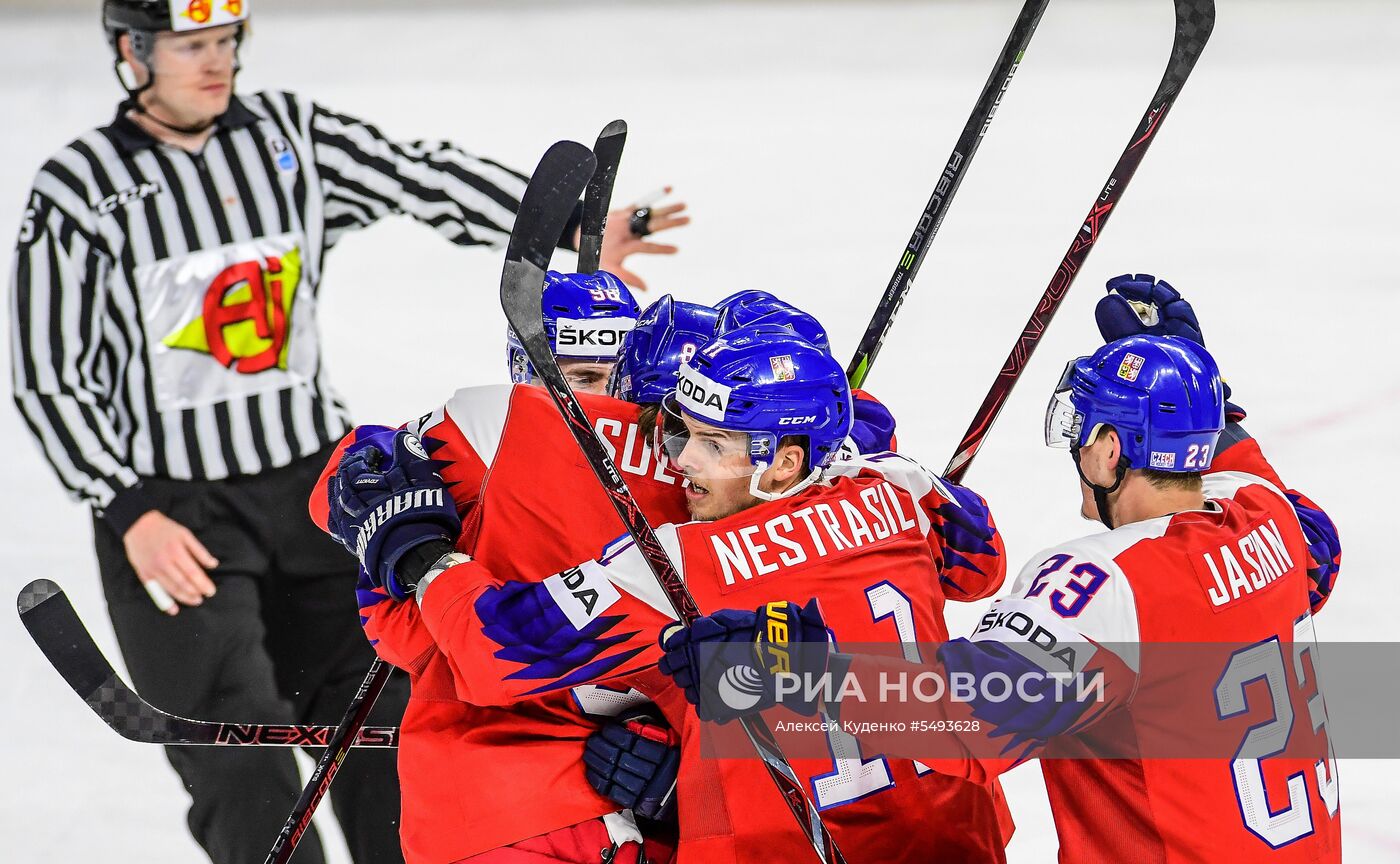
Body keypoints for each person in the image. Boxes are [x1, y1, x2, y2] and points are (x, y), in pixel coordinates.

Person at [7, 3, 686, 862]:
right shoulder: (79, 188)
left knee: (390, 734)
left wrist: (567, 236)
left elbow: (417, 176)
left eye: (225, 42)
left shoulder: (289, 136)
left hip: (311, 489)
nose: (216, 63)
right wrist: (129, 508)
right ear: (132, 53)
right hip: (174, 513)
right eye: (191, 47)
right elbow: (47, 373)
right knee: (244, 769)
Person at [665, 276, 1344, 862]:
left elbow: (958, 718)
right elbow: (1316, 552)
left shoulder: (1104, 585)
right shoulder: (1268, 518)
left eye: (1081, 430)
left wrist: (793, 668)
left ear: (1109, 450)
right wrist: (1190, 388)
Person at [328, 324, 1015, 862]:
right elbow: (981, 561)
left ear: (784, 460)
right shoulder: (897, 490)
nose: (681, 461)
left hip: (786, 849)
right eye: (683, 431)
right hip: (959, 835)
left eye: (713, 444)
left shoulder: (678, 561)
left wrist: (417, 552)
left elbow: (493, 651)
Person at [310, 286, 713, 863]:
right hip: (522, 810)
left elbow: (855, 709)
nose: (585, 404)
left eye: (604, 381)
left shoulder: (502, 434)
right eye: (568, 377)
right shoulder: (502, 445)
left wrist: (700, 769)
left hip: (502, 808)